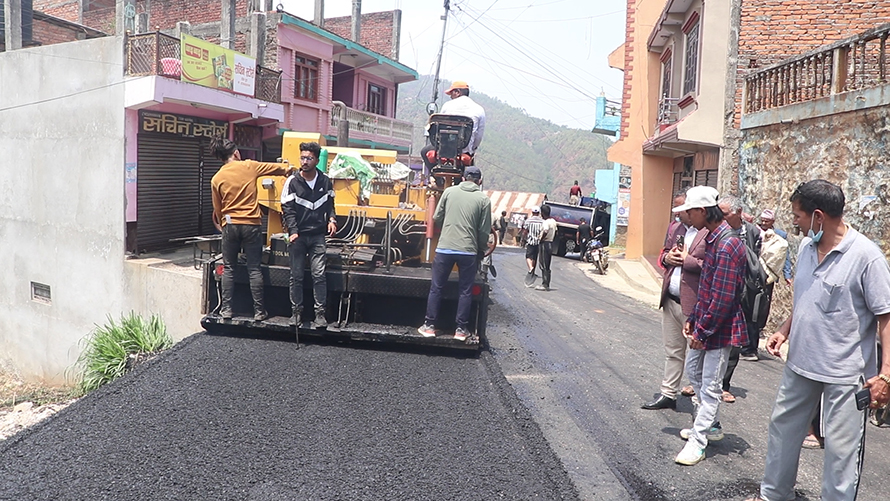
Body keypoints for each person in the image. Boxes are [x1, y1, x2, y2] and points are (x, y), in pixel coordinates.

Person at [749, 180, 890, 501]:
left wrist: (885, 374)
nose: (794, 222)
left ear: (818, 216)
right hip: (800, 365)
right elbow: (807, 297)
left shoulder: (867, 257)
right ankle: (773, 495)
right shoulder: (807, 248)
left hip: (846, 375)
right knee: (782, 433)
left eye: (798, 215)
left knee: (842, 454)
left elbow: (886, 317)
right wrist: (785, 329)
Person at [673, 186, 748, 466]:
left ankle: (699, 440)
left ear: (703, 211)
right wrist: (694, 320)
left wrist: (702, 332)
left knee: (711, 385)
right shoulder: (714, 238)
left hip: (719, 327)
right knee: (694, 372)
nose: (687, 217)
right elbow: (707, 288)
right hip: (706, 322)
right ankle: (708, 424)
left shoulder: (727, 244)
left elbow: (724, 298)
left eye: (690, 211)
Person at [210, 136, 292, 321]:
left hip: (230, 226)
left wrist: (225, 223)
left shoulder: (217, 178)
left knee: (229, 268)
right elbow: (275, 168)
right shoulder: (249, 166)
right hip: (252, 225)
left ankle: (227, 310)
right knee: (254, 269)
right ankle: (259, 312)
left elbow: (218, 209)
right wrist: (289, 169)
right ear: (236, 153)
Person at [642, 189, 709, 411]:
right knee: (672, 351)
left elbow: (710, 266)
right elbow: (664, 253)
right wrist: (666, 258)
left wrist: (686, 261)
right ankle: (668, 393)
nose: (679, 214)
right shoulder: (676, 228)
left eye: (684, 210)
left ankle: (702, 405)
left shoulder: (710, 233)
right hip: (671, 299)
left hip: (694, 305)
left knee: (697, 358)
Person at [418, 166, 492, 341]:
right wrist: (481, 249)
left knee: (437, 287)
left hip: (445, 248)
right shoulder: (484, 200)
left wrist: (449, 228)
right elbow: (483, 231)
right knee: (465, 291)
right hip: (468, 251)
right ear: (479, 181)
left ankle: (429, 326)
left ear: (463, 178)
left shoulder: (449, 192)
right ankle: (460, 330)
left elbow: (436, 217)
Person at [281, 142, 337, 330]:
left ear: (316, 160)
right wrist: (293, 230)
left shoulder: (325, 181)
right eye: (302, 158)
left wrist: (331, 219)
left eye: (309, 158)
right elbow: (287, 209)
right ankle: (296, 312)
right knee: (296, 276)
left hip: (318, 236)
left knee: (319, 275)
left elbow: (330, 204)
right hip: (298, 237)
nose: (304, 162)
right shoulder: (292, 182)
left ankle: (319, 315)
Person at [717, 194, 762, 403]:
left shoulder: (751, 232)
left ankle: (724, 384)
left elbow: (755, 260)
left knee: (734, 342)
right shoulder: (716, 230)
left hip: (743, 291)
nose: (721, 217)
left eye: (724, 213)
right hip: (721, 288)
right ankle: (703, 380)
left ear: (737, 212)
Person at [421, 81, 486, 171]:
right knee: (469, 167)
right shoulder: (479, 109)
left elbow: (439, 128)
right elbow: (478, 136)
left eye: (451, 93)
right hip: (464, 150)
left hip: (443, 149)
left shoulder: (447, 106)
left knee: (424, 151)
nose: (451, 96)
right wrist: (471, 150)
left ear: (457, 92)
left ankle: (437, 178)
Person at [758, 209, 793, 285]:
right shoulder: (755, 231)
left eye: (766, 221)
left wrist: (787, 275)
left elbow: (784, 255)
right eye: (762, 220)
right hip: (756, 269)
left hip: (771, 272)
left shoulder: (779, 236)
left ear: (772, 222)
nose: (763, 223)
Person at [535, 204, 557, 291]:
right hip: (550, 243)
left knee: (543, 264)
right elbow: (556, 232)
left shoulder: (546, 222)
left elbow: (545, 231)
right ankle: (547, 283)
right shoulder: (553, 221)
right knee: (547, 264)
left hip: (545, 243)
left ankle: (545, 284)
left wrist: (541, 239)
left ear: (543, 213)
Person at [523, 207, 545, 287]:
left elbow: (525, 231)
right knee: (535, 257)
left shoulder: (528, 220)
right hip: (538, 242)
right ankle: (533, 270)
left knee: (528, 256)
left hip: (530, 241)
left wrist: (524, 238)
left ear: (532, 212)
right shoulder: (542, 221)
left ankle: (531, 269)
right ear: (539, 213)